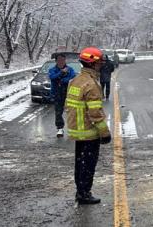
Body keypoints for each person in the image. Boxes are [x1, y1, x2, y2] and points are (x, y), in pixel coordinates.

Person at [65, 47, 112, 205]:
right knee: (88, 164)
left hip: (77, 130)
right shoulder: (91, 84)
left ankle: (80, 190)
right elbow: (95, 113)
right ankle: (85, 193)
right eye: (99, 63)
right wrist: (105, 133)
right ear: (93, 64)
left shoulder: (76, 80)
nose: (101, 65)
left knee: (80, 163)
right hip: (89, 131)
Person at [48, 53, 77, 138]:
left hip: (69, 93)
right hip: (57, 94)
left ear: (65, 61)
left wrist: (61, 80)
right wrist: (61, 73)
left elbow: (72, 78)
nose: (61, 62)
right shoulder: (52, 69)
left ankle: (72, 128)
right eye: (59, 60)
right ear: (56, 61)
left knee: (71, 112)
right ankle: (60, 128)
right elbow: (52, 77)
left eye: (63, 60)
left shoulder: (70, 69)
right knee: (58, 112)